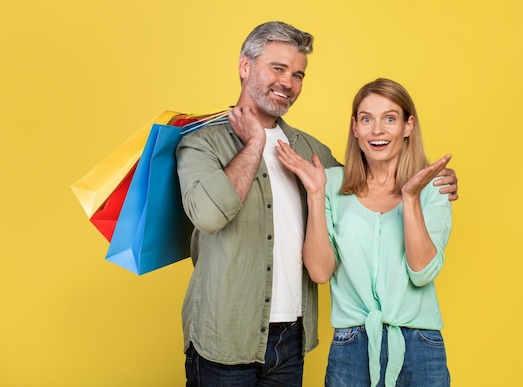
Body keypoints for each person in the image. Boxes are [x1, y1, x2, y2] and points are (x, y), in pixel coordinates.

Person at [176, 22, 459, 387]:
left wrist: (433, 182)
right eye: (277, 69)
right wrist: (253, 145)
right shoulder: (202, 142)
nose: (288, 83)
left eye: (297, 74)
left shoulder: (311, 152)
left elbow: (369, 181)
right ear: (245, 67)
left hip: (290, 340)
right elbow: (210, 215)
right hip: (223, 336)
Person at [275, 77, 453, 387]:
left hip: (420, 346)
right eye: (367, 119)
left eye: (390, 118)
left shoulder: (432, 188)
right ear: (355, 127)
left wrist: (410, 199)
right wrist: (316, 194)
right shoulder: (330, 183)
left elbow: (422, 273)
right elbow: (319, 272)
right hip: (352, 347)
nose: (377, 130)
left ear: (408, 126)